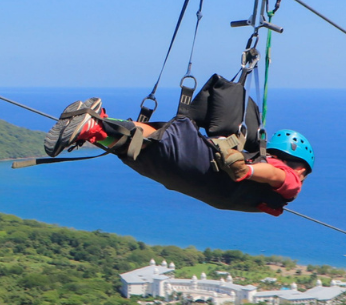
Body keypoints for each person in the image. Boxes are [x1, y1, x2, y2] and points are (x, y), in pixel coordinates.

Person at [42, 92, 313, 216]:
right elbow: (274, 175)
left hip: (206, 172)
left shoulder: (290, 181)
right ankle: (94, 130)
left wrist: (246, 169)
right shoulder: (272, 197)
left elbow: (277, 175)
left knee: (163, 138)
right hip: (186, 181)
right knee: (143, 151)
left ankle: (97, 123)